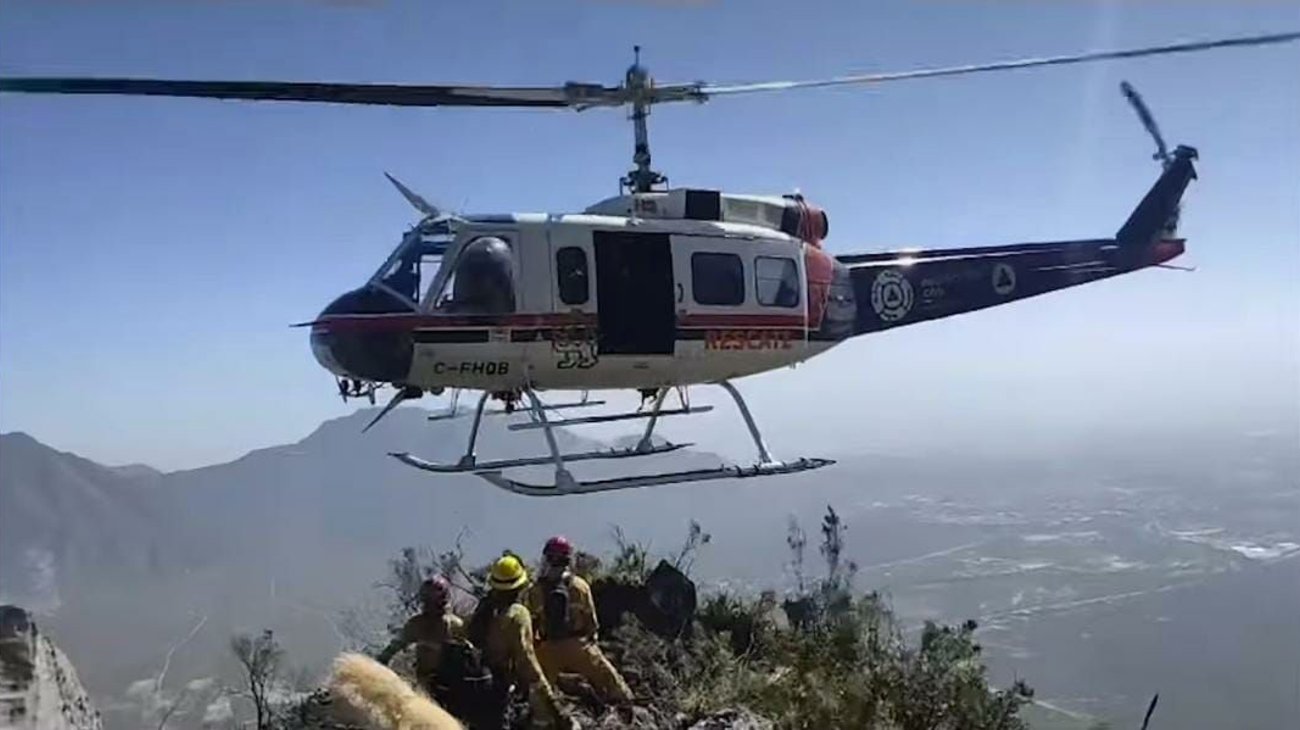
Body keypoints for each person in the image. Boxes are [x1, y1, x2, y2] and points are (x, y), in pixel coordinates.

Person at [526, 536, 634, 705]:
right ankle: (626, 701)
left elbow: (532, 626)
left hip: (547, 648)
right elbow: (591, 622)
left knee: (540, 692)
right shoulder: (580, 586)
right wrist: (591, 641)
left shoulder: (534, 591)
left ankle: (540, 716)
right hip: (577, 645)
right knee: (607, 675)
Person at [468, 554, 570, 730]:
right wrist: (553, 704)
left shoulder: (483, 608)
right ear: (519, 586)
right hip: (498, 686)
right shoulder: (518, 615)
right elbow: (526, 660)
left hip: (473, 683)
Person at [375, 576, 465, 701]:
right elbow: (395, 646)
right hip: (424, 682)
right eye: (427, 601)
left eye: (433, 602)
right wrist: (379, 662)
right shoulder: (416, 624)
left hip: (450, 686)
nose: (429, 606)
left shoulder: (455, 625)